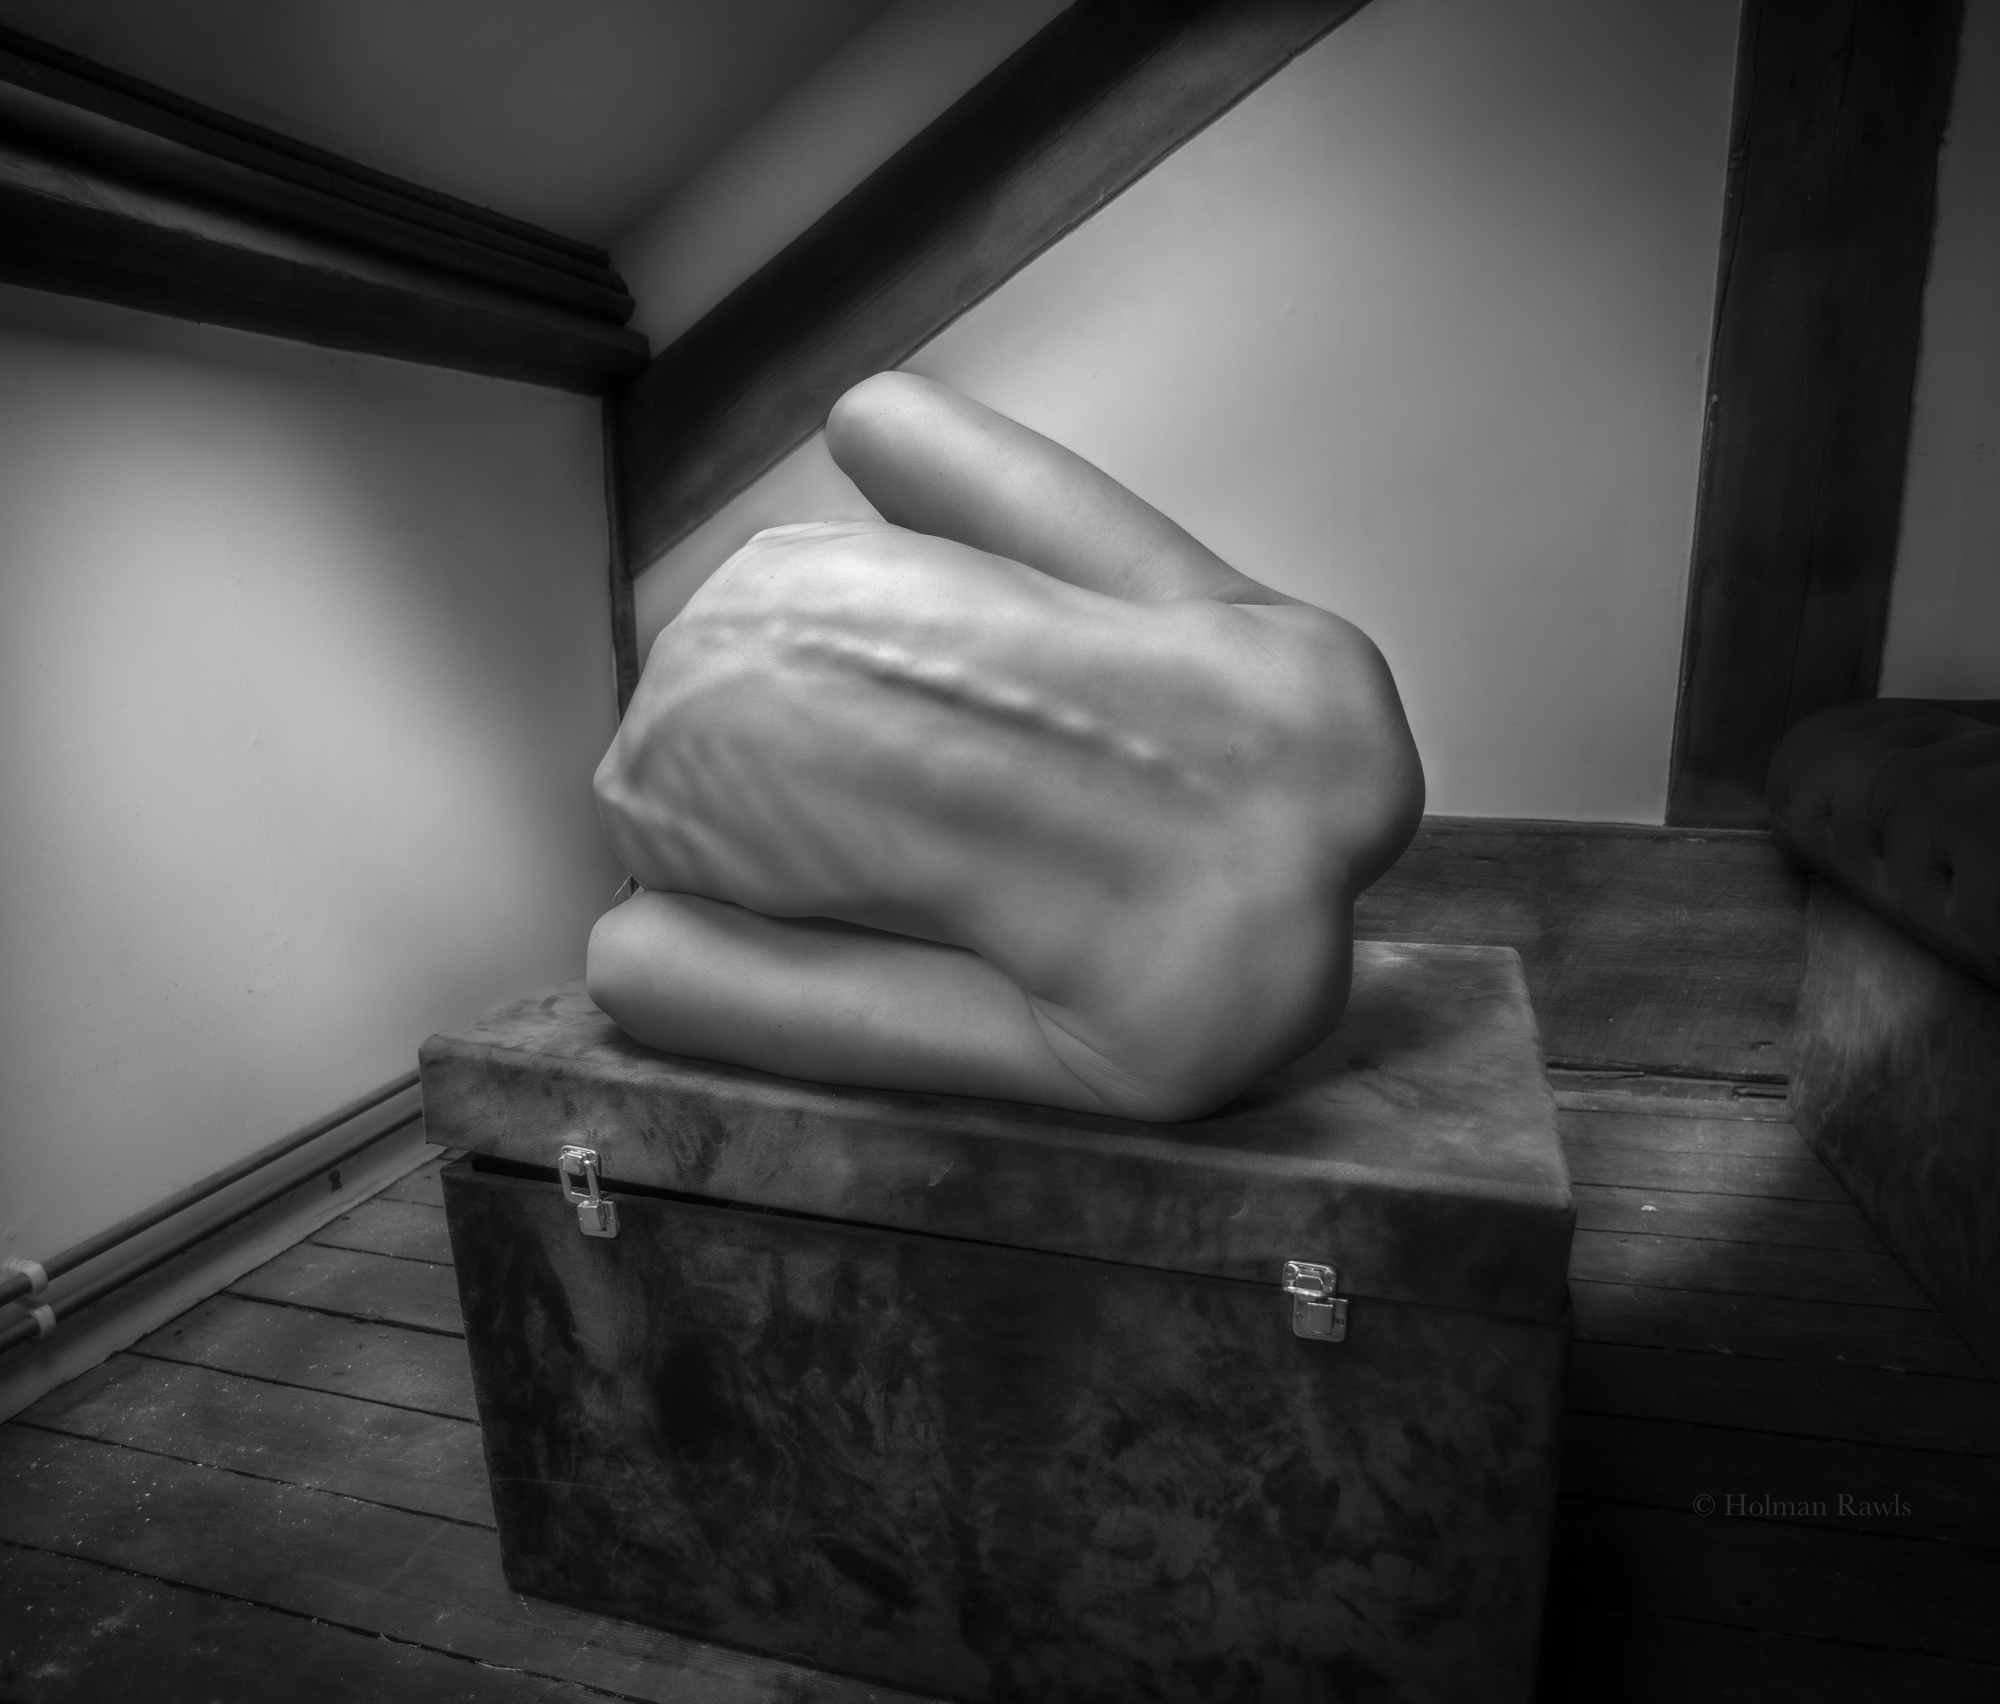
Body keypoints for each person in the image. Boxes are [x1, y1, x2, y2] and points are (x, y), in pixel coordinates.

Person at [588, 373, 1423, 1122]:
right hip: (660, 800)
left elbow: (881, 413)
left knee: (866, 409)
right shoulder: (1184, 1038)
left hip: (768, 586)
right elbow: (626, 956)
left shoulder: (1333, 674)